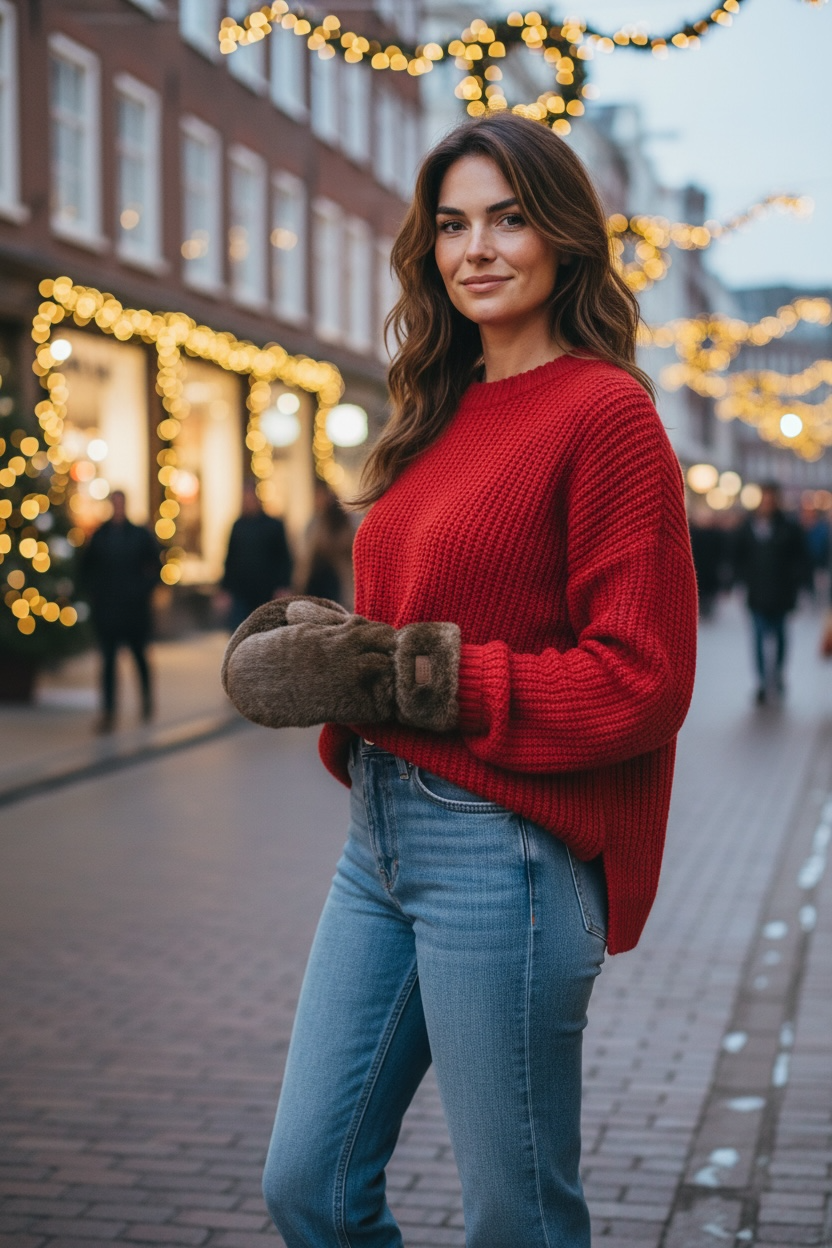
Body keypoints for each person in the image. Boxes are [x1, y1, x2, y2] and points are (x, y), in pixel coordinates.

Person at [221, 114, 698, 1246]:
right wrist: (333, 647)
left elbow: (642, 678)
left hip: (506, 851)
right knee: (309, 1186)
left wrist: (413, 675)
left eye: (507, 217)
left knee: (516, 1219)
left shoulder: (606, 414)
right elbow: (413, 614)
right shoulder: (435, 410)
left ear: (564, 238)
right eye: (450, 224)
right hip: (379, 840)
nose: (475, 247)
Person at [81, 490, 160, 732]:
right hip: (108, 610)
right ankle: (108, 710)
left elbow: (156, 566)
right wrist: (95, 594)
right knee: (108, 662)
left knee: (139, 657)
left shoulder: (139, 535)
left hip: (134, 610)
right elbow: (86, 568)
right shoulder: (101, 535)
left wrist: (142, 590)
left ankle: (146, 701)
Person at [733, 482, 810, 704]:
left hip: (782, 592)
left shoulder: (789, 527)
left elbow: (800, 557)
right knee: (758, 636)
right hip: (757, 592)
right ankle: (762, 682)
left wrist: (800, 582)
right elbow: (738, 555)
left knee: (780, 635)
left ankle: (777, 675)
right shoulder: (748, 526)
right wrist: (740, 579)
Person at [219, 481, 293, 630]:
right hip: (241, 591)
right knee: (239, 631)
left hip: (266, 590)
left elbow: (284, 558)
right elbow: (230, 559)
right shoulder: (238, 526)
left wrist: (283, 585)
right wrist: (224, 588)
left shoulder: (273, 526)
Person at [296, 480, 357, 609]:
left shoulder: (343, 521)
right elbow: (306, 557)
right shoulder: (315, 523)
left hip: (341, 583)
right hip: (319, 581)